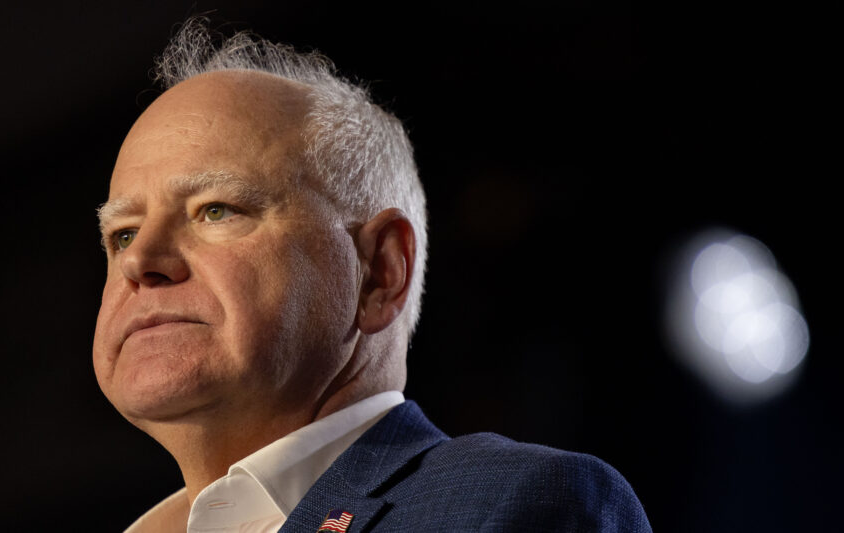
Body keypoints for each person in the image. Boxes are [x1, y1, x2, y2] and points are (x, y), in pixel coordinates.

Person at [93, 18, 651, 533]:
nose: (141, 261)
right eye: (122, 234)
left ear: (379, 272)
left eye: (216, 210)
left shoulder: (507, 506)